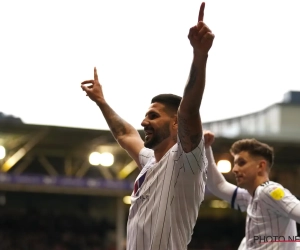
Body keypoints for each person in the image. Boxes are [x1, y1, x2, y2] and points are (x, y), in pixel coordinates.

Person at [81, 3, 214, 250]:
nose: (144, 122)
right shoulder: (151, 161)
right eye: (145, 116)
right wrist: (101, 102)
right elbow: (124, 133)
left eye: (153, 116)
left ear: (176, 122)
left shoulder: (187, 160)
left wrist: (200, 55)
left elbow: (189, 109)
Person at [203, 131, 300, 250]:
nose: (235, 169)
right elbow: (218, 186)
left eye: (241, 163)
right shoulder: (250, 196)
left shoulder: (271, 191)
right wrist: (206, 148)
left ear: (260, 166)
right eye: (235, 164)